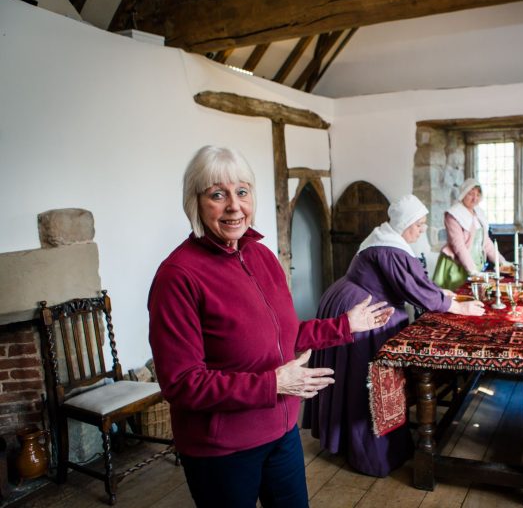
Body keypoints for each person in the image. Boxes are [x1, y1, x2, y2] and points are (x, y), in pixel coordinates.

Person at [147, 146, 394, 508]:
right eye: (218, 195)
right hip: (222, 448)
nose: (234, 206)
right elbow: (182, 384)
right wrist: (274, 383)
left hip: (281, 432)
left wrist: (345, 325)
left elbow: (283, 336)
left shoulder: (261, 255)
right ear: (195, 203)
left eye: (242, 192)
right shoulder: (178, 277)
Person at [303, 194, 484, 477]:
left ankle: (344, 440)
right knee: (367, 382)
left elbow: (413, 283)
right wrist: (458, 305)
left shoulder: (384, 239)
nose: (423, 228)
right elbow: (413, 287)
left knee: (350, 378)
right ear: (406, 224)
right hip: (363, 313)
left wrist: (440, 294)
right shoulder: (391, 249)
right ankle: (371, 453)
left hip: (346, 300)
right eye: (420, 224)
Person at [432, 178, 507, 290]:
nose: (475, 198)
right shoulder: (453, 214)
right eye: (471, 194)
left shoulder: (479, 213)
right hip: (456, 266)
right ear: (463, 194)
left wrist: (502, 262)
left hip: (475, 266)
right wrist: (473, 271)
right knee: (457, 300)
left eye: (478, 194)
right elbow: (459, 247)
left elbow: (486, 243)